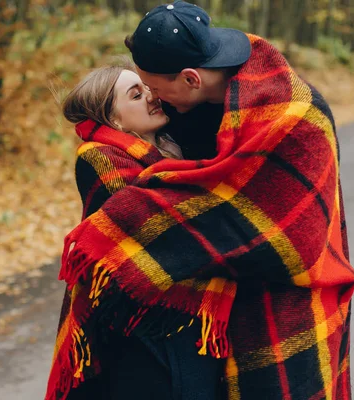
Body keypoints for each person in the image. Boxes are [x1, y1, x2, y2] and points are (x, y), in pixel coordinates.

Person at [49, 1, 354, 400]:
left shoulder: (291, 113)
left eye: (156, 89)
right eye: (141, 91)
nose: (157, 100)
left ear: (191, 78)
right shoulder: (182, 114)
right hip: (210, 318)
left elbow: (293, 230)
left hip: (288, 300)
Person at [49, 62, 229, 400]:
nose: (151, 96)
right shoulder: (99, 156)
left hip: (187, 321)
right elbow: (149, 227)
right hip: (140, 326)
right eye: (136, 94)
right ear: (114, 119)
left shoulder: (173, 147)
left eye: (146, 87)